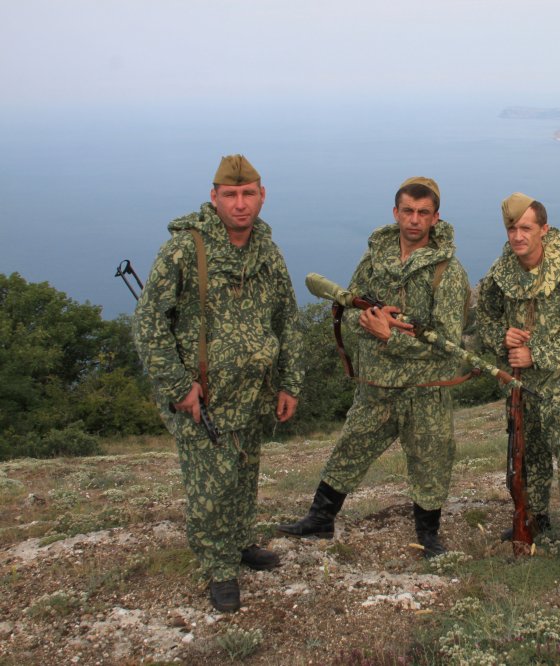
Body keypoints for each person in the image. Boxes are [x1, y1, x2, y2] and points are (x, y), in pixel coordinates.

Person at [133, 155, 304, 612]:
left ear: (262, 196)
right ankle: (219, 566)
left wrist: (289, 382)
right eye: (230, 195)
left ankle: (241, 540)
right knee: (210, 487)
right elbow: (149, 324)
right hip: (202, 397)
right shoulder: (185, 249)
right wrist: (178, 386)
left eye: (248, 194)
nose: (240, 204)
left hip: (253, 393)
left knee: (244, 472)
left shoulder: (267, 251)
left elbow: (287, 320)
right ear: (214, 198)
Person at [278, 177, 470, 559]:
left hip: (425, 390)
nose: (414, 219)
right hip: (376, 386)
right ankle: (320, 519)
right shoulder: (374, 259)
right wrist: (367, 321)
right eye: (408, 211)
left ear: (435, 218)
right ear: (395, 212)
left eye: (423, 213)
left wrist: (389, 336)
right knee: (350, 449)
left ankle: (429, 537)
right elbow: (347, 311)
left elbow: (448, 343)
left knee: (431, 461)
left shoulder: (448, 272)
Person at [477, 192, 560, 587]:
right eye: (512, 229)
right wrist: (502, 335)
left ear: (544, 229)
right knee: (528, 458)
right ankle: (535, 519)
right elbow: (485, 317)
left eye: (526, 228)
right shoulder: (501, 271)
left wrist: (536, 354)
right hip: (522, 386)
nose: (518, 236)